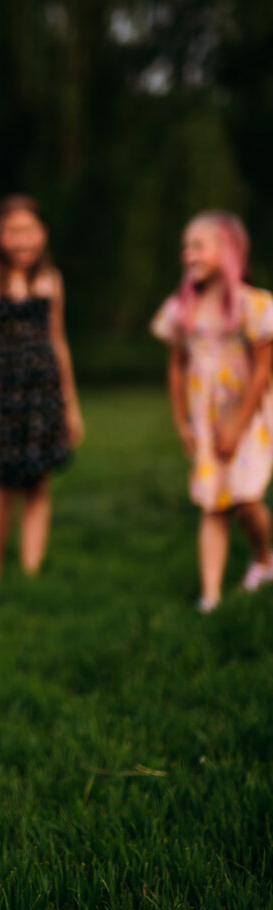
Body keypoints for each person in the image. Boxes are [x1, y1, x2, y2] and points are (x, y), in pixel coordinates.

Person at [0, 195, 84, 580]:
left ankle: (31, 572)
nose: (22, 239)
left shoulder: (51, 281)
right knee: (4, 485)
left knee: (39, 484)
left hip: (43, 398)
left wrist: (71, 405)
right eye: (12, 231)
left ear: (43, 233)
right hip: (3, 400)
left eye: (29, 230)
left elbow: (58, 343)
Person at [151, 211, 273, 613]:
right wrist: (182, 423)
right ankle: (211, 596)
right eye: (186, 247)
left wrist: (239, 424)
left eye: (199, 245)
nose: (189, 254)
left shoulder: (253, 306)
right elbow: (176, 367)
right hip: (206, 422)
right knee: (213, 503)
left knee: (246, 500)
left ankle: (264, 558)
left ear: (229, 249)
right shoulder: (182, 310)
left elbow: (262, 371)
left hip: (250, 418)